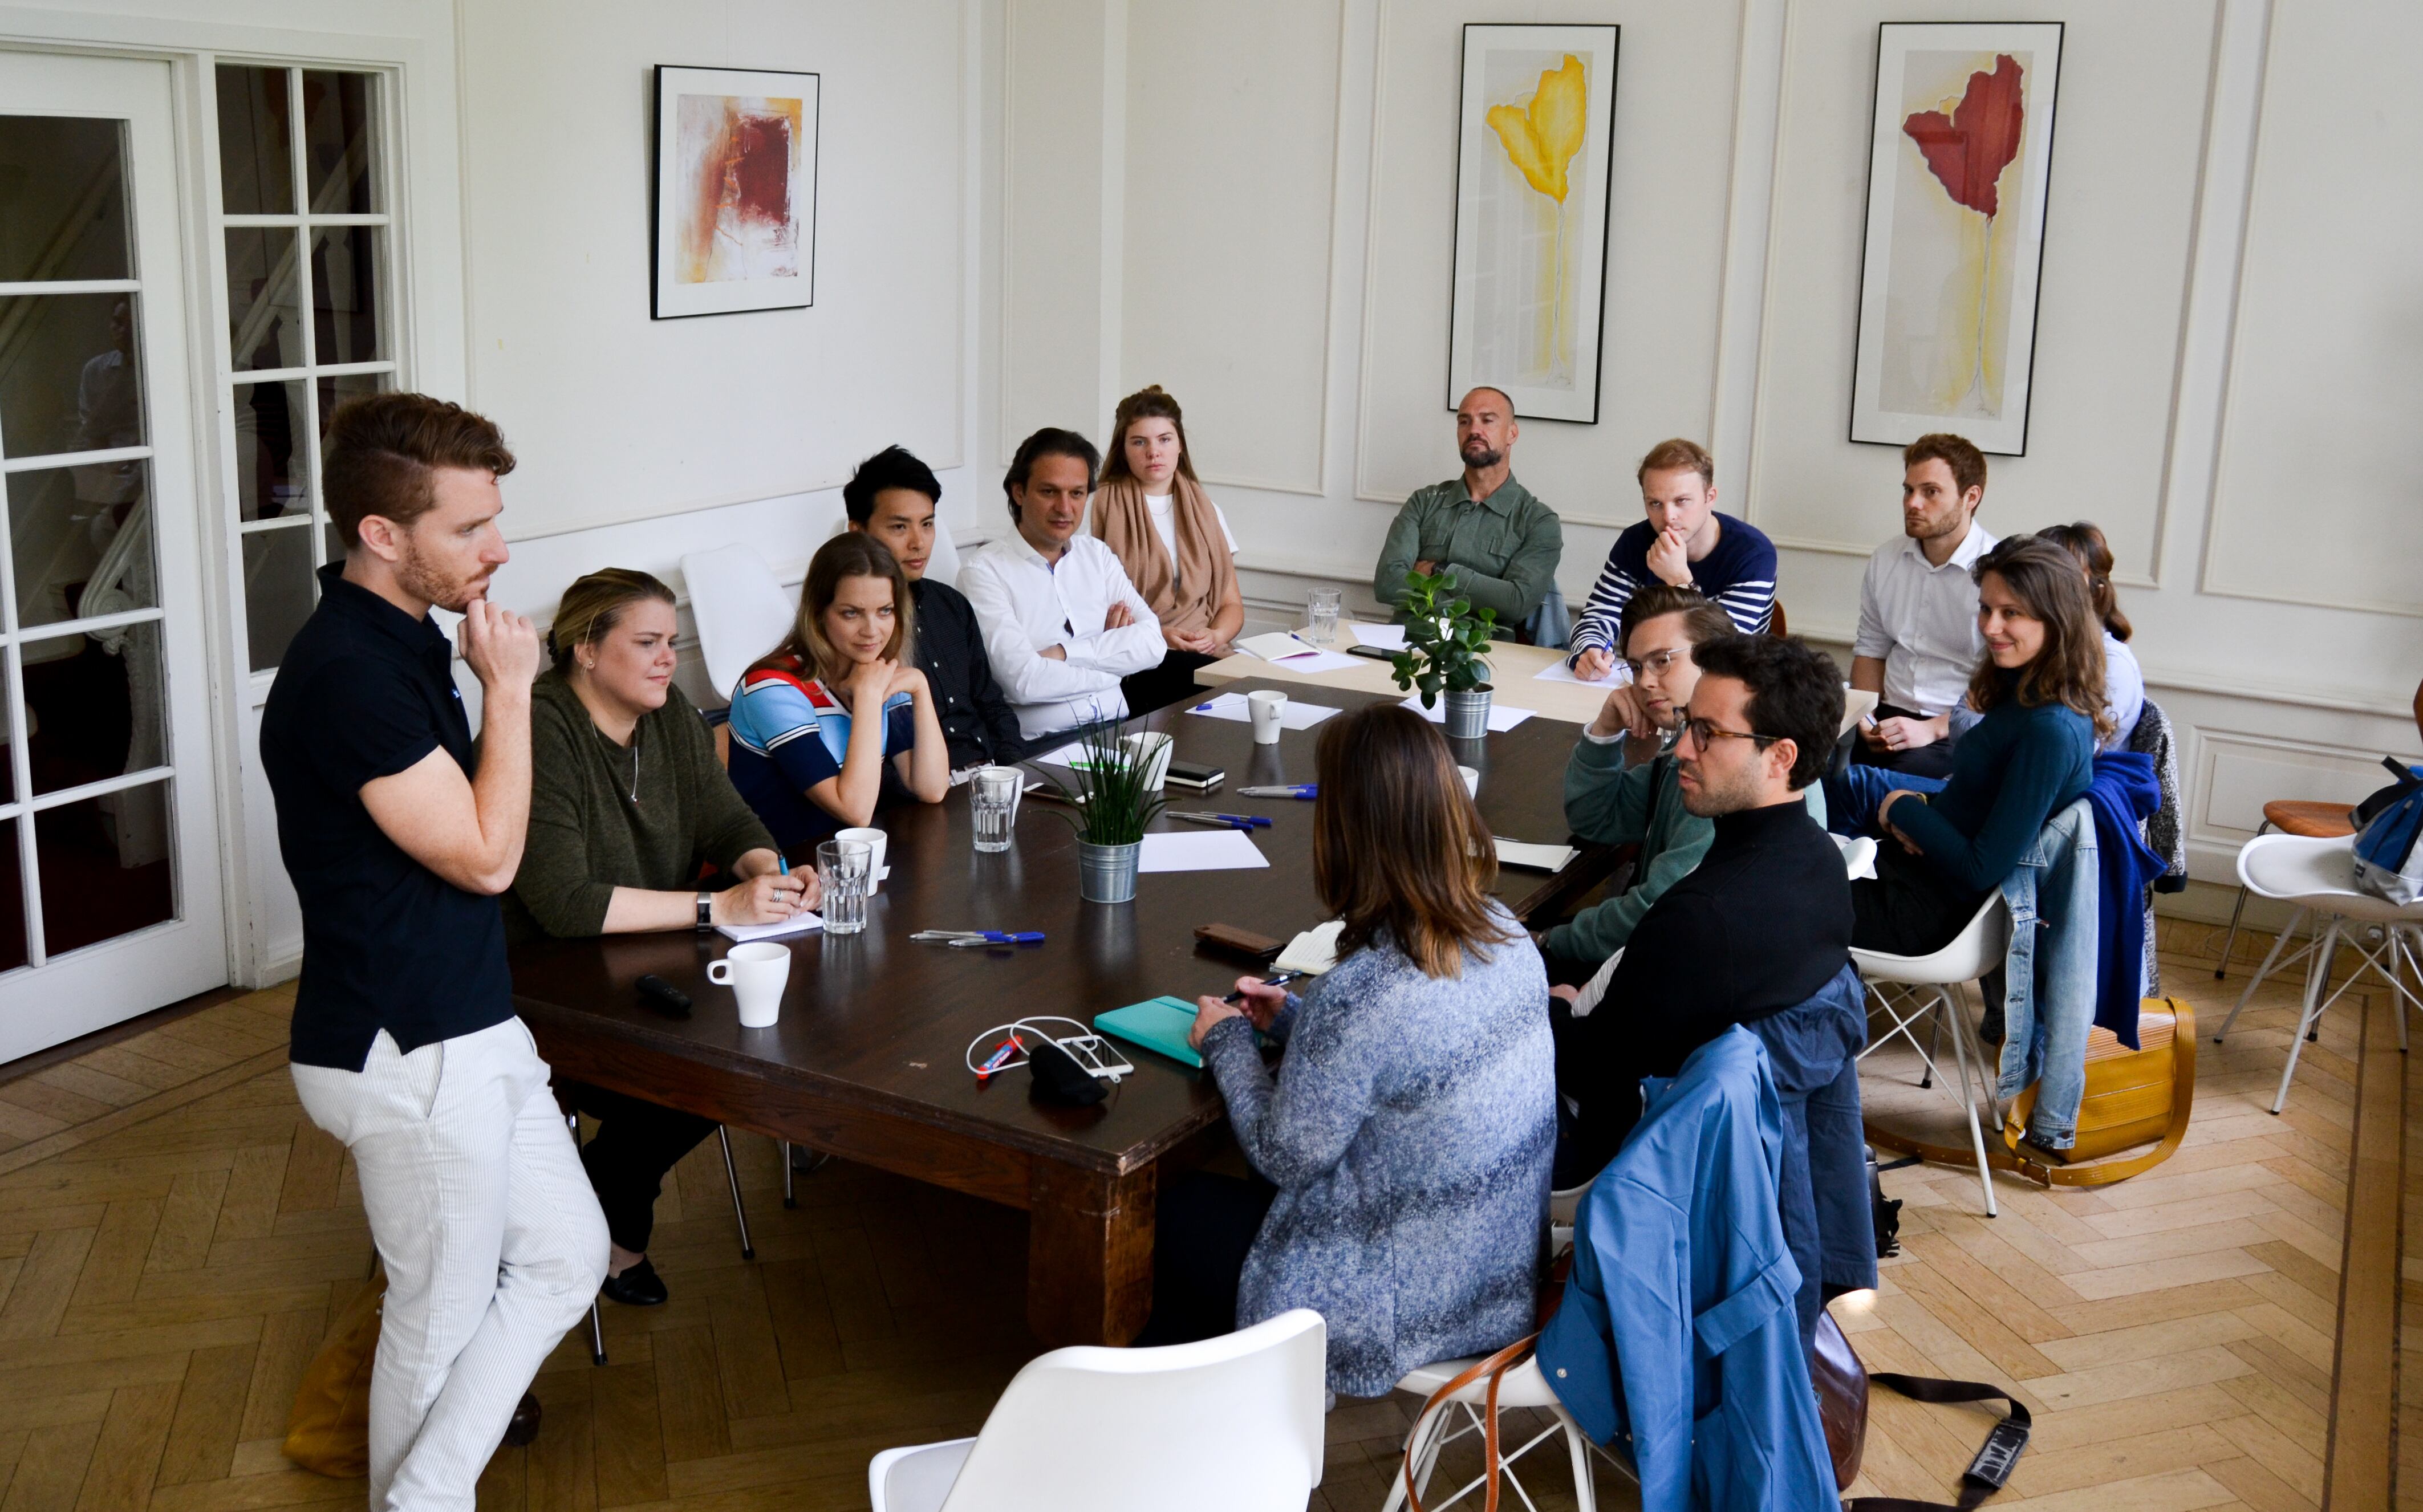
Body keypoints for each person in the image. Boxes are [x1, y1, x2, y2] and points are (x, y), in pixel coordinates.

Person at [260, 393, 607, 1508]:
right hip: (402, 1048)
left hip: (470, 1018)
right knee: (436, 1307)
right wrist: (509, 693)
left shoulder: (405, 636)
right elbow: (487, 859)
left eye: (494, 517)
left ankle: (424, 1488)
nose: (499, 549)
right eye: (469, 528)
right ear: (381, 534)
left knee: (567, 1256)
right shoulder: (347, 675)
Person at [1147, 705, 1555, 1397]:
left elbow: (1287, 1157)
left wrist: (1224, 1038)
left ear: (1347, 831)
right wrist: (1293, 1022)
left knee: (1173, 1212)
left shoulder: (1366, 995)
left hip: (1406, 1309)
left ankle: (1217, 1445)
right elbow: (1407, 1064)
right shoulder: (1503, 931)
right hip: (1495, 1271)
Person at [505, 569, 814, 1308]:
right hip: (551, 973)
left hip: (655, 946)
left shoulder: (667, 710)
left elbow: (726, 817)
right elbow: (566, 903)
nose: (667, 659)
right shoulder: (541, 727)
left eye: (670, 642)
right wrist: (720, 907)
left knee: (752, 1041)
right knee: (709, 1059)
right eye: (645, 643)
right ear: (584, 649)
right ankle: (611, 1215)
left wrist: (768, 875)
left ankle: (598, 1189)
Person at [1551, 634, 1852, 1181]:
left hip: (1632, 1155)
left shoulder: (1703, 914)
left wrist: (1549, 1009)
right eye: (1690, 724)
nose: (1683, 749)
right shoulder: (1820, 860)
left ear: (1779, 757)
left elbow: (1593, 1068)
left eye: (1709, 734)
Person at [1840, 536, 2104, 958]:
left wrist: (1901, 808)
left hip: (1926, 912)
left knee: (1760, 897)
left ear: (2056, 620)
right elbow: (1977, 803)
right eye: (1985, 608)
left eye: (2010, 614)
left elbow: (1980, 868)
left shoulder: (2049, 728)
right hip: (1911, 874)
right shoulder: (2023, 691)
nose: (1989, 626)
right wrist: (1918, 805)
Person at [1534, 585, 1740, 985]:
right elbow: (1596, 819)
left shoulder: (1728, 768)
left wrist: (1546, 940)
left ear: (1716, 658)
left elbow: (1655, 909)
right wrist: (1605, 731)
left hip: (1685, 978)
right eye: (1636, 667)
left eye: (1662, 661)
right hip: (1666, 952)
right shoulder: (1686, 748)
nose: (1644, 682)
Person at [726, 534, 951, 855]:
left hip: (850, 866)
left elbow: (931, 788)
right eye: (851, 613)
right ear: (818, 613)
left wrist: (919, 687)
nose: (872, 630)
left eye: (885, 611)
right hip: (777, 872)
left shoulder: (875, 672)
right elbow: (855, 810)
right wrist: (869, 701)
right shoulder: (770, 687)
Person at [959, 428, 1165, 745]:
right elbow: (1023, 682)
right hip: (1043, 746)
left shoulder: (1096, 555)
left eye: (1077, 493)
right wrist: (1118, 667)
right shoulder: (984, 572)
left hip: (1122, 729)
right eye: (1049, 492)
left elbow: (1153, 645)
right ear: (1019, 492)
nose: (1065, 508)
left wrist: (1062, 654)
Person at [843, 445, 1027, 769]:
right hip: (921, 794)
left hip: (990, 775)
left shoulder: (951, 605)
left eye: (927, 524)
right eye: (900, 527)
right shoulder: (857, 630)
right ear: (858, 532)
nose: (919, 542)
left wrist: (1016, 774)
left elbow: (992, 705)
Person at [1850, 433, 2000, 778]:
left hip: (1959, 726)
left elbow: (2007, 681)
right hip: (1886, 715)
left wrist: (1933, 728)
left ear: (1970, 497)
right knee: (1802, 766)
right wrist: (1865, 717)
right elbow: (1871, 650)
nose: (1913, 503)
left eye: (1931, 492)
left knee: (1876, 787)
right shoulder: (1886, 559)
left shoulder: (1999, 571)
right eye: (1908, 490)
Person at [1565, 438, 1777, 677]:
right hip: (1651, 679)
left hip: (1732, 685)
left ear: (1710, 497)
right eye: (1655, 503)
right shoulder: (1635, 542)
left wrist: (1680, 581)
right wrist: (1590, 650)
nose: (1668, 517)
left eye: (1681, 501)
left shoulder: (1754, 553)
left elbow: (1726, 651)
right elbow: (1599, 615)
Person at [1091, 385, 1244, 714]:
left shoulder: (1208, 511)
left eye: (1164, 439)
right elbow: (1084, 610)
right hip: (1137, 657)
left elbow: (1232, 605)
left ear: (1180, 447)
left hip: (1204, 652)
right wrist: (1156, 635)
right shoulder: (1099, 506)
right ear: (1123, 449)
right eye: (1139, 442)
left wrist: (1214, 636)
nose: (1153, 452)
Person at [1373, 386, 1563, 633]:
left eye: (1487, 421)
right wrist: (1482, 597)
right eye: (1465, 422)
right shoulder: (1424, 501)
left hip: (1485, 655)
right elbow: (1387, 585)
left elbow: (1516, 604)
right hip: (1406, 644)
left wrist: (1440, 571)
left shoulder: (1538, 521)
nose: (1474, 430)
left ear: (1512, 434)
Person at [2035, 521, 2142, 750]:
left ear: (2095, 591)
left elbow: (2070, 754)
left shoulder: (2113, 663)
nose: (2046, 589)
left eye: (2064, 579)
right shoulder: (2028, 646)